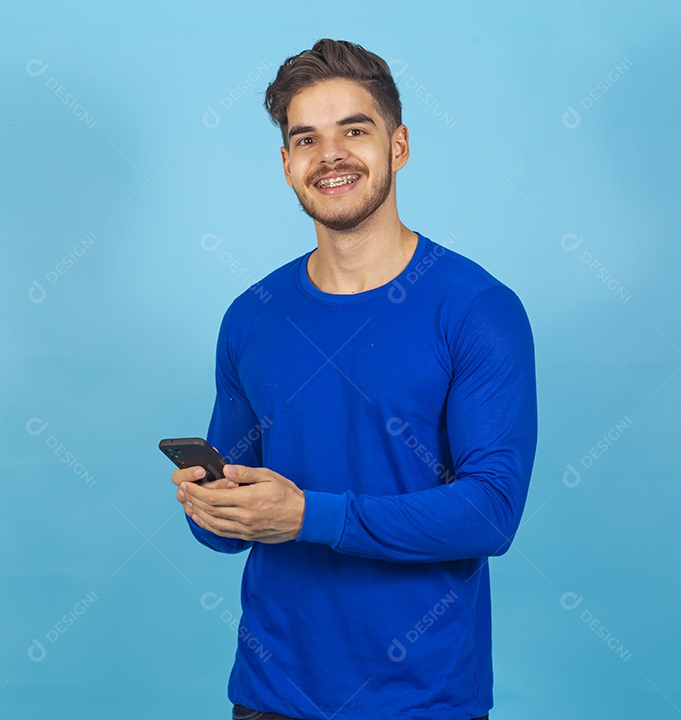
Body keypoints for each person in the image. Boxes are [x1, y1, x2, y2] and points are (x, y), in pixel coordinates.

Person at [173, 38, 537, 720]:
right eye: (306, 138)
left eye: (355, 131)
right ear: (286, 165)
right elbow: (228, 531)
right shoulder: (253, 316)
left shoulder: (477, 310)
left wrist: (309, 515)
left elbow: (491, 511)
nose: (331, 155)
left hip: (424, 700)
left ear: (398, 146)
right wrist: (214, 507)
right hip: (271, 696)